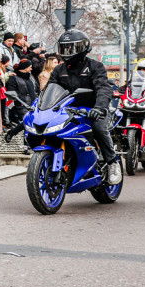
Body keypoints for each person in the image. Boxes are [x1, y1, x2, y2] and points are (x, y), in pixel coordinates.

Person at [51, 29, 121, 183]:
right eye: (64, 47)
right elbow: (49, 91)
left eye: (72, 47)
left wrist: (100, 108)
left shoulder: (95, 66)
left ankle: (112, 163)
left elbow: (103, 88)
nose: (68, 51)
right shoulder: (58, 70)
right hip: (68, 111)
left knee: (99, 129)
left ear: (83, 48)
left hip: (93, 109)